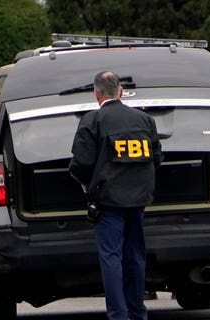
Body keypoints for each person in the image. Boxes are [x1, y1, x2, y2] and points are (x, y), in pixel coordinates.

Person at [69, 71, 162, 320]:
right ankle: (137, 311)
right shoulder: (144, 120)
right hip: (139, 200)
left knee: (111, 257)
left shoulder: (93, 121)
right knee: (135, 255)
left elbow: (80, 164)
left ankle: (118, 315)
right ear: (121, 91)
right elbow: (156, 158)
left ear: (97, 93)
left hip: (108, 201)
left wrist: (88, 185)